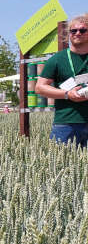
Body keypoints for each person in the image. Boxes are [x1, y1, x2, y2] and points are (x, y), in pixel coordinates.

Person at [36, 14, 88, 146]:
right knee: (60, 164)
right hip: (65, 124)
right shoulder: (57, 59)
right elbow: (40, 87)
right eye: (73, 30)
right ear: (68, 34)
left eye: (82, 30)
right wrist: (67, 94)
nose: (77, 33)